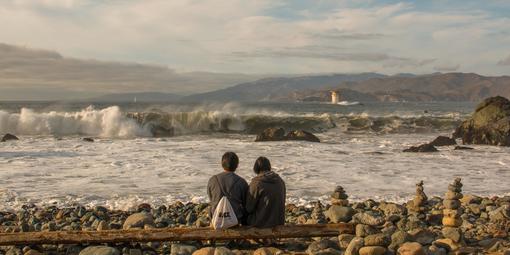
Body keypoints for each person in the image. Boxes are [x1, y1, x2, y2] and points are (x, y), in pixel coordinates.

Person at [207, 152, 249, 224]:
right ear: (237, 165)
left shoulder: (213, 180)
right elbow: (246, 204)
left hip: (216, 218)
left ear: (222, 164)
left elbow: (211, 199)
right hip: (235, 220)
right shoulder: (242, 182)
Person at [246, 157, 286, 228]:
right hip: (279, 222)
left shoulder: (257, 182)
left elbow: (249, 208)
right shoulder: (280, 181)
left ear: (256, 168)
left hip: (261, 224)